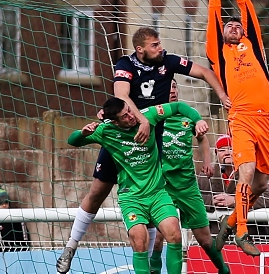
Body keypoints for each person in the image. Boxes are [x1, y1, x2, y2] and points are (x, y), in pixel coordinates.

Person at [57, 26, 230, 273]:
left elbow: (203, 72)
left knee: (153, 204)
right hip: (123, 134)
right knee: (97, 192)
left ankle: (150, 266)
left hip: (150, 139)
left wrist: (222, 96)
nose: (160, 48)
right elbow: (121, 95)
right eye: (154, 45)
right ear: (140, 49)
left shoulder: (167, 62)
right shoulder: (125, 65)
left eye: (159, 44)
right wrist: (141, 120)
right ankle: (71, 247)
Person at [67, 97, 209, 274]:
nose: (131, 116)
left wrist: (198, 120)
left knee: (174, 233)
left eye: (129, 110)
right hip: (132, 198)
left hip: (158, 193)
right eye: (124, 116)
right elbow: (72, 140)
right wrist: (83, 133)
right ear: (114, 121)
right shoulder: (105, 131)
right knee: (139, 240)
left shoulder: (147, 116)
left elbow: (179, 106)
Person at [205, 0, 269, 256]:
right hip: (241, 119)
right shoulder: (218, 53)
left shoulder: (253, 45)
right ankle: (242, 232)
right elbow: (213, 20)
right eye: (228, 25)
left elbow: (247, 10)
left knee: (260, 183)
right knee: (245, 172)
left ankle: (231, 221)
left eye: (237, 25)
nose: (234, 27)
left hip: (266, 119)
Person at [149, 80, 229, 274]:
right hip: (163, 187)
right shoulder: (153, 116)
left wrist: (207, 162)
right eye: (169, 87)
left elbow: (202, 139)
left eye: (175, 86)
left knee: (205, 239)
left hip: (187, 186)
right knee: (160, 237)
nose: (173, 90)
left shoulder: (188, 115)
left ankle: (224, 270)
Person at [198, 135, 269, 243]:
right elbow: (194, 198)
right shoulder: (205, 175)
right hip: (216, 240)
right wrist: (211, 201)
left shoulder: (252, 171)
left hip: (253, 238)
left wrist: (235, 200)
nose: (227, 153)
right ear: (216, 153)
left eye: (231, 149)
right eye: (222, 150)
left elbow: (268, 199)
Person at [0, 184, 31, 251]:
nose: (4, 205)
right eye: (1, 203)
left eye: (6, 202)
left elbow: (25, 239)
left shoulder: (17, 218)